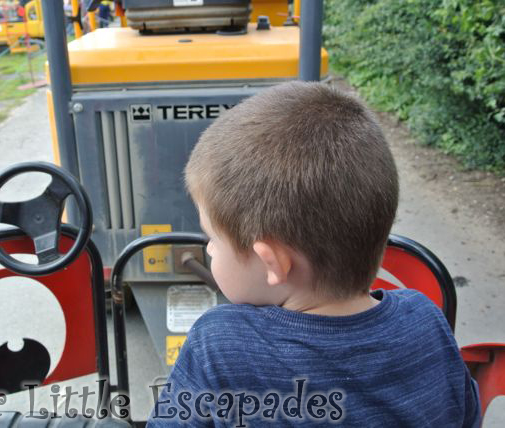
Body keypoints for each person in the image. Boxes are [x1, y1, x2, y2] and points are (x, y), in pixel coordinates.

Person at [147, 82, 480, 427]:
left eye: (212, 237)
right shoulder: (427, 321)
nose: (209, 248)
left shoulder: (219, 346)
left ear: (272, 262)